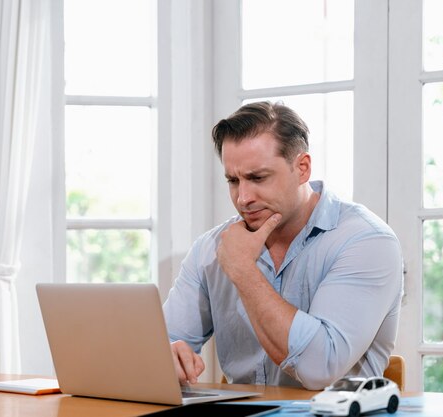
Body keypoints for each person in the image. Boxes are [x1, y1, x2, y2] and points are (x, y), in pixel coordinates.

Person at [163, 101, 403, 390]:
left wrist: (243, 270)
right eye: (233, 180)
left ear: (302, 168)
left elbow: (319, 368)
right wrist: (167, 354)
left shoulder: (366, 241)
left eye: (258, 178)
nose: (243, 198)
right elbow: (162, 342)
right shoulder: (210, 248)